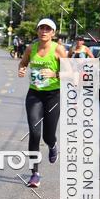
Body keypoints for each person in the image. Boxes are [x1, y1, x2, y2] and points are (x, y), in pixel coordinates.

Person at [18, 18, 68, 188]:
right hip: (34, 95)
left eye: (48, 29)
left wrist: (54, 75)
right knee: (34, 132)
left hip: (53, 96)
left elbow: (72, 74)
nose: (44, 31)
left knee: (48, 135)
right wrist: (22, 69)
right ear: (37, 30)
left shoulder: (59, 50)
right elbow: (23, 63)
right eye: (41, 28)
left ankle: (53, 145)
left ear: (53, 33)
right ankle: (34, 174)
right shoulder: (31, 48)